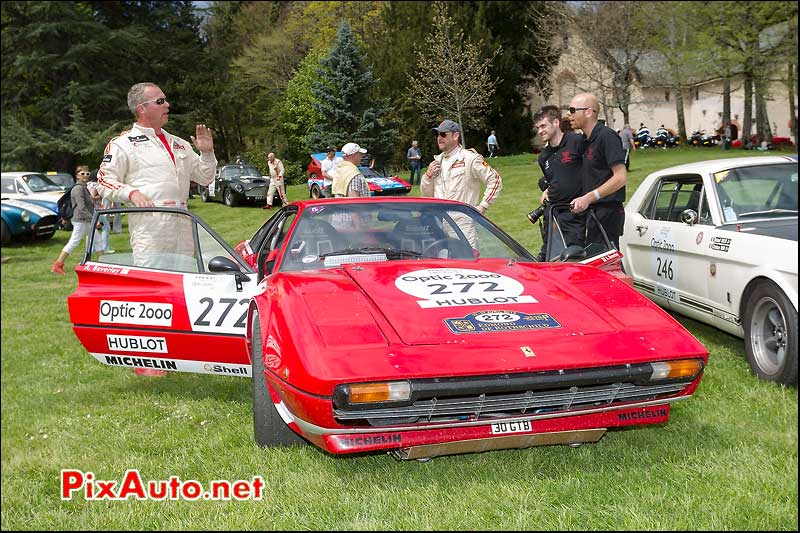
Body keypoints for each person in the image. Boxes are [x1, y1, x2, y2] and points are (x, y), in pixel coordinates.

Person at [96, 82, 217, 376]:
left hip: (183, 220)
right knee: (149, 290)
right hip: (150, 223)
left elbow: (204, 176)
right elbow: (104, 180)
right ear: (142, 109)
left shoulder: (178, 142)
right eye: (160, 101)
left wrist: (208, 152)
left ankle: (178, 351)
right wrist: (130, 193)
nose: (167, 106)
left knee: (183, 286)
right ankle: (144, 361)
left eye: (166, 100)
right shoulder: (122, 143)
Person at [421, 119, 502, 247]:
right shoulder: (437, 161)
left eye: (443, 134)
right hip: (438, 224)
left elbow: (495, 179)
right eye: (437, 135)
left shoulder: (469, 158)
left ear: (455, 135)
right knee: (442, 265)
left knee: (465, 263)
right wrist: (428, 176)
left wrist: (483, 206)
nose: (439, 138)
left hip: (462, 223)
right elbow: (426, 194)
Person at [567, 93, 628, 250]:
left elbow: (621, 177)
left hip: (607, 213)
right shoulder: (585, 140)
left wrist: (589, 198)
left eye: (572, 110)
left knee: (607, 265)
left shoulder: (607, 136)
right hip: (592, 213)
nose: (569, 114)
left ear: (588, 112)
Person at [531, 106, 585, 261]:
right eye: (538, 128)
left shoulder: (577, 142)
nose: (540, 131)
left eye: (543, 126)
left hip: (576, 216)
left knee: (575, 262)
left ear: (556, 122)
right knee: (551, 260)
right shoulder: (544, 157)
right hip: (552, 216)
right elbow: (554, 179)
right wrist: (546, 189)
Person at [51, 165, 95, 274]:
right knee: (74, 241)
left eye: (87, 173)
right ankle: (57, 265)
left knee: (97, 240)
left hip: (84, 219)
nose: (85, 175)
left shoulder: (84, 187)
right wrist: (94, 219)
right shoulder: (78, 188)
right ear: (77, 176)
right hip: (81, 219)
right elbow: (81, 207)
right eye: (82, 174)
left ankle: (99, 265)